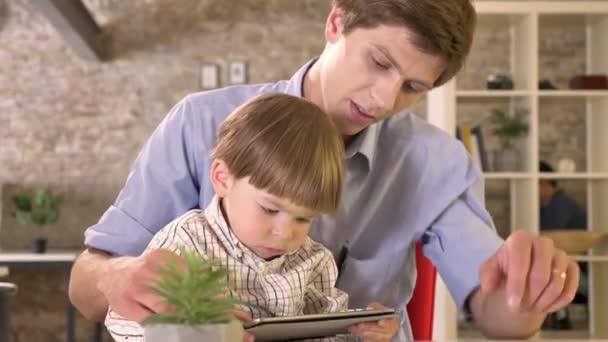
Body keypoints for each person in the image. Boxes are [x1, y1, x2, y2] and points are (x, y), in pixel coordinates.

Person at [69, 1, 580, 341]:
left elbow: (497, 314)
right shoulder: (200, 123)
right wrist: (118, 278)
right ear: (336, 21)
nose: (384, 99)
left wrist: (527, 295)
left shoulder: (438, 164)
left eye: (412, 88)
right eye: (378, 62)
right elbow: (87, 287)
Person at [104, 93, 366, 341]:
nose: (285, 233)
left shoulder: (315, 260)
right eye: (270, 210)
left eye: (304, 219)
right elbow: (125, 324)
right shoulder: (186, 243)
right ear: (222, 178)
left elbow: (331, 329)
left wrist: (362, 329)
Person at [539, 160, 587, 330]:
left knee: (546, 269)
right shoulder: (551, 204)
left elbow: (547, 239)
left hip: (586, 277)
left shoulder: (560, 205)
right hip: (574, 269)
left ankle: (557, 318)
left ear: (543, 183)